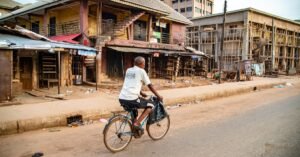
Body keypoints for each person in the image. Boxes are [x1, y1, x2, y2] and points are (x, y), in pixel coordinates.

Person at [119, 56, 163, 132]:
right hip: (131, 98)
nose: (144, 65)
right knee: (151, 105)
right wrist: (158, 96)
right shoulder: (141, 71)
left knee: (134, 109)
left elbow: (131, 83)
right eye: (144, 63)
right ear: (141, 63)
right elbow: (149, 85)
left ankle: (135, 129)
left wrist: (142, 93)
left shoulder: (128, 70)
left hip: (122, 98)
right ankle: (136, 124)